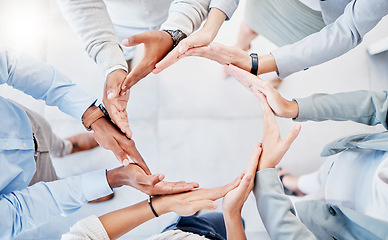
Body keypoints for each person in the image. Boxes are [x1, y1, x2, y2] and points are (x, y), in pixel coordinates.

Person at [0, 45, 198, 239]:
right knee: (53, 186)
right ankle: (82, 186)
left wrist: (92, 116)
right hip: (23, 184)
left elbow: (10, 66)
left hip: (25, 123)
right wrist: (114, 178)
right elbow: (21, 209)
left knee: (49, 137)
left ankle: (66, 147)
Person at [225, 64, 388, 239]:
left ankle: (294, 191)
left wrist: (266, 179)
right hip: (354, 160)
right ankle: (295, 184)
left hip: (340, 221)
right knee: (319, 178)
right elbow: (381, 104)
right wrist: (291, 107)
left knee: (296, 209)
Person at [56, 0, 240, 146]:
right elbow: (79, 4)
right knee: (122, 55)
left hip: (173, 10)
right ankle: (123, 65)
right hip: (114, 22)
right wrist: (112, 65)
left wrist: (174, 31)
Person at [62, 141, 263, 240]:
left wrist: (164, 204)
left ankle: (193, 212)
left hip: (182, 232)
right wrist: (233, 214)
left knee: (216, 221)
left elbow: (84, 235)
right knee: (227, 222)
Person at [157, 0, 388, 82]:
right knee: (249, 25)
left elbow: (349, 30)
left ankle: (271, 69)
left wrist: (258, 64)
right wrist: (211, 26)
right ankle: (241, 46)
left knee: (291, 50)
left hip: (320, 15)